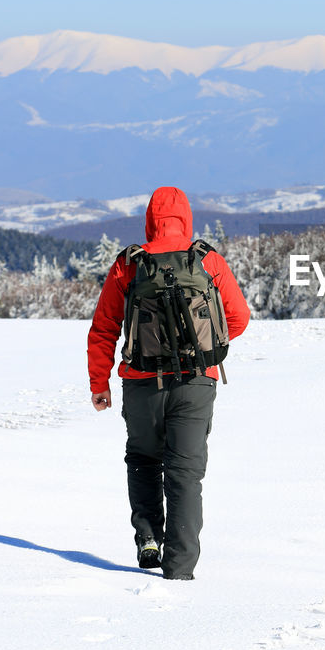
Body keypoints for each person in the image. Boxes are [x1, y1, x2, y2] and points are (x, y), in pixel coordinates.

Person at [86, 186, 250, 579]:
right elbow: (239, 318)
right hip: (196, 382)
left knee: (143, 459)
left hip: (141, 384)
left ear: (150, 220)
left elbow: (104, 328)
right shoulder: (207, 259)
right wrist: (203, 346)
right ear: (187, 218)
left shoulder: (129, 263)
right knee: (185, 473)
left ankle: (147, 538)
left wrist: (99, 382)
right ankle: (179, 570)